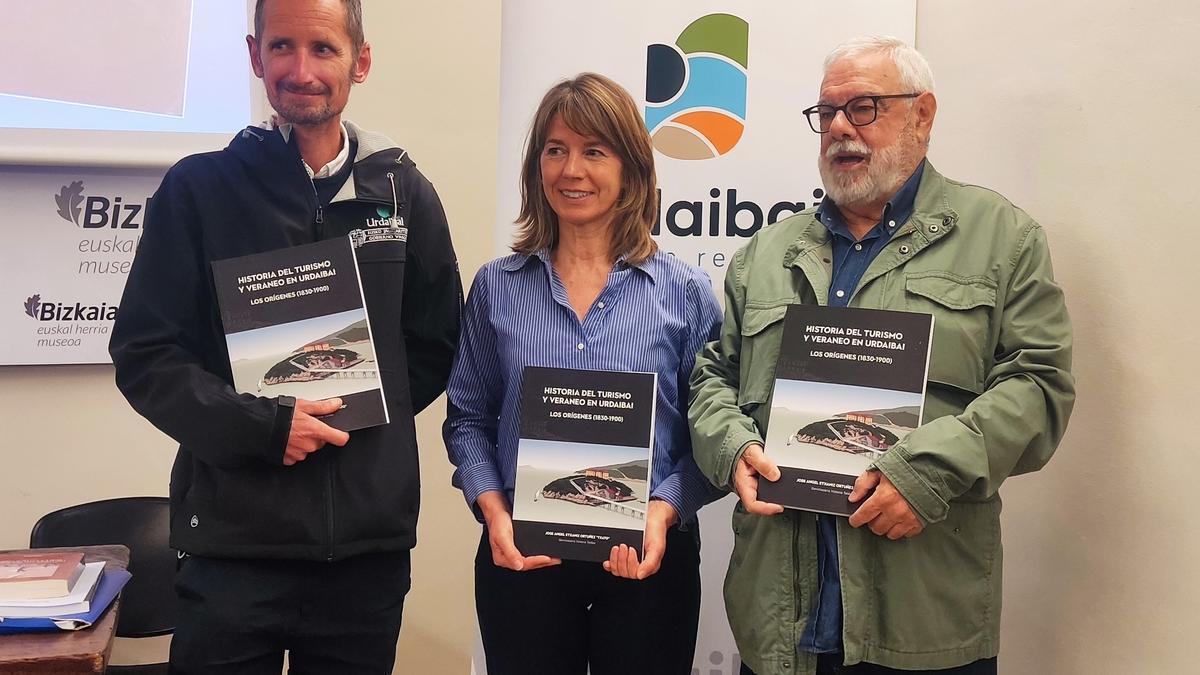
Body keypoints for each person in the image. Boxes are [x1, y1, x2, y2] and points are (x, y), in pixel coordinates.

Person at [688, 36, 1075, 675]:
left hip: (925, 615)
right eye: (827, 112)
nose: (840, 128)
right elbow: (712, 377)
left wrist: (924, 474)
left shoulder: (1002, 239)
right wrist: (732, 447)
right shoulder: (766, 254)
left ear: (922, 115)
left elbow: (1039, 386)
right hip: (781, 624)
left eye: (863, 107)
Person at [108, 0, 461, 672]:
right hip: (232, 553)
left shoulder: (404, 193)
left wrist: (350, 412)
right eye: (281, 47)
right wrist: (263, 428)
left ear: (360, 61)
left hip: (366, 555)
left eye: (323, 48)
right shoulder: (199, 190)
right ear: (254, 55)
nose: (301, 70)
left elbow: (436, 343)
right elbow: (146, 355)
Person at [443, 72, 723, 675]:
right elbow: (467, 420)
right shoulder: (496, 287)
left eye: (594, 151)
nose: (571, 170)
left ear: (631, 170)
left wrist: (664, 510)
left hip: (649, 559)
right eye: (556, 150)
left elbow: (715, 435)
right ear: (536, 166)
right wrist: (493, 512)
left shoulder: (687, 293)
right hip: (524, 560)